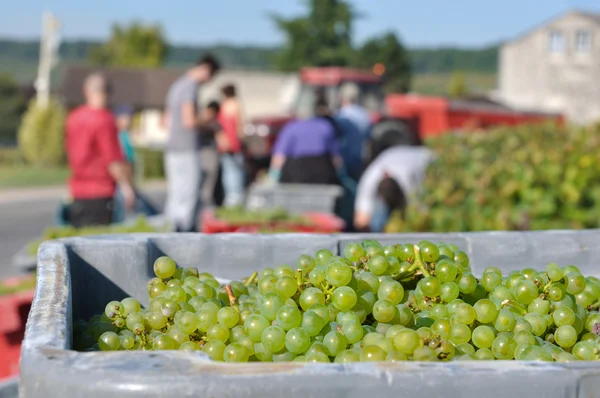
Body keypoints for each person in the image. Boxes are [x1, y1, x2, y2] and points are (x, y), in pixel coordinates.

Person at [65, 73, 135, 228]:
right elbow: (113, 160)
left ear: (86, 91)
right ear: (108, 92)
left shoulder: (73, 118)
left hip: (77, 189)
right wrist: (127, 188)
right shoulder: (105, 119)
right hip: (101, 190)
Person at [162, 54, 220, 232]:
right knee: (188, 198)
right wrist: (207, 118)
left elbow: (166, 121)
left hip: (172, 147)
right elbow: (189, 121)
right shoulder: (190, 87)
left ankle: (167, 238)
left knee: (174, 197)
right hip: (186, 148)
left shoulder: (177, 85)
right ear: (206, 70)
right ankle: (181, 242)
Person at [354, 145, 435, 232]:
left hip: (428, 158)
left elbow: (419, 212)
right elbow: (360, 219)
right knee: (377, 219)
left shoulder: (408, 179)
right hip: (393, 153)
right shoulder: (370, 178)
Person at [268, 97, 342, 185]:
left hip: (295, 177)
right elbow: (336, 159)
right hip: (322, 178)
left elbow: (278, 158)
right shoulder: (326, 127)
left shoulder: (290, 128)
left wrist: (273, 177)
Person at [112, 104, 158, 223]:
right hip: (122, 186)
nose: (130, 120)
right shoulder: (119, 137)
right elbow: (122, 163)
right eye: (126, 117)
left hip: (128, 184)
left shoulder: (125, 136)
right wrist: (127, 187)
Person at [218, 84, 245, 207]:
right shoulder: (236, 104)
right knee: (236, 170)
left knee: (228, 170)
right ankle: (235, 196)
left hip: (225, 141)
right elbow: (240, 126)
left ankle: (231, 197)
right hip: (233, 141)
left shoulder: (224, 106)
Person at [337, 82, 372, 177]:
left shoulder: (341, 115)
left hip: (345, 159)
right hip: (360, 158)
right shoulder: (365, 114)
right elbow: (368, 138)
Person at [198, 101, 222, 210]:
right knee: (207, 184)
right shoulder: (212, 124)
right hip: (209, 155)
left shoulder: (204, 123)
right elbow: (222, 141)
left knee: (206, 185)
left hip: (201, 154)